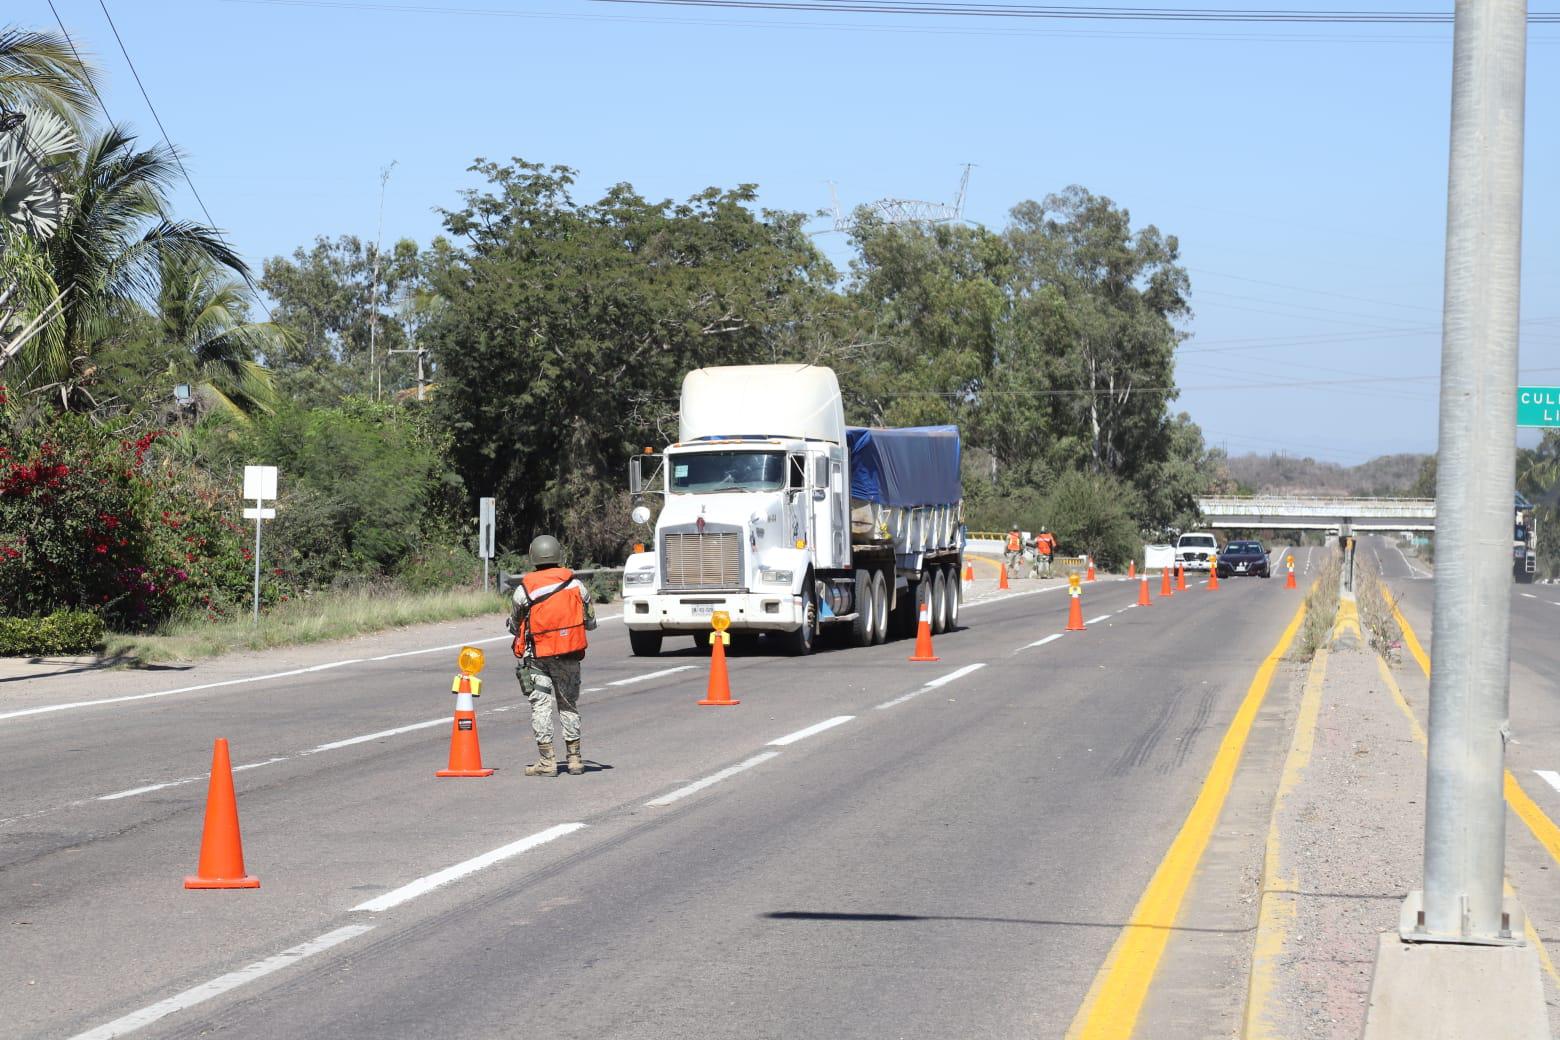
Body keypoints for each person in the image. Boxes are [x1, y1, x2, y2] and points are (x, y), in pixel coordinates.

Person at [509, 534, 597, 777]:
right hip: (569, 654)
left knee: (541, 706)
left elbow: (515, 623)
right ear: (559, 554)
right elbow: (590, 622)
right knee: (568, 704)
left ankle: (547, 762)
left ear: (533, 557)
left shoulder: (524, 588)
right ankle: (575, 759)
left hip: (538, 656)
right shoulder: (576, 585)